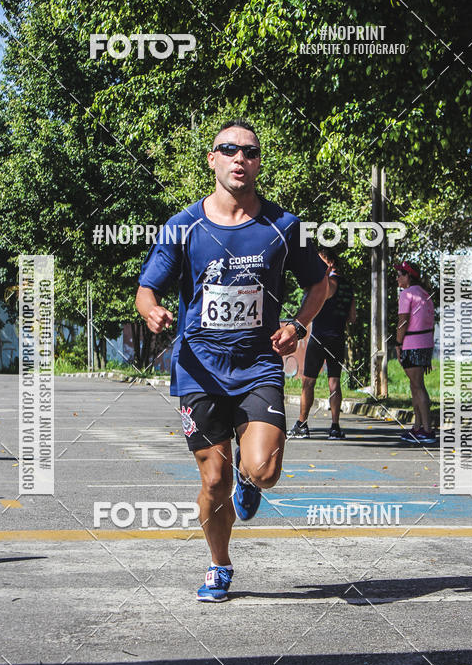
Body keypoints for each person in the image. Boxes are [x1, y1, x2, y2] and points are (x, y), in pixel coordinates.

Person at [135, 118, 329, 602]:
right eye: (229, 149)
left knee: (262, 469)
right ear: (212, 159)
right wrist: (153, 311)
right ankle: (219, 565)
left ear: (259, 162)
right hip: (199, 369)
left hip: (258, 366)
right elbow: (145, 289)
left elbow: (320, 284)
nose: (240, 158)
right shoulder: (183, 227)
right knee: (214, 481)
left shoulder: (283, 226)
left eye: (250, 151)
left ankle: (252, 480)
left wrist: (297, 325)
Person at [287, 249, 356, 439]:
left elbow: (312, 304)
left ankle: (302, 424)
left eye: (321, 261)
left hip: (319, 338)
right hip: (337, 337)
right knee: (334, 383)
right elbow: (352, 317)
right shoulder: (348, 286)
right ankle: (335, 426)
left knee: (308, 382)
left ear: (331, 263)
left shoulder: (326, 283)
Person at [394, 260, 436, 444]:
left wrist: (398, 343)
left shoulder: (406, 294)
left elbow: (402, 321)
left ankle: (427, 429)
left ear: (408, 276)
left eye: (400, 274)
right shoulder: (425, 295)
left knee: (418, 386)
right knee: (415, 385)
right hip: (425, 342)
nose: (397, 278)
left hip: (412, 342)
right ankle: (418, 426)